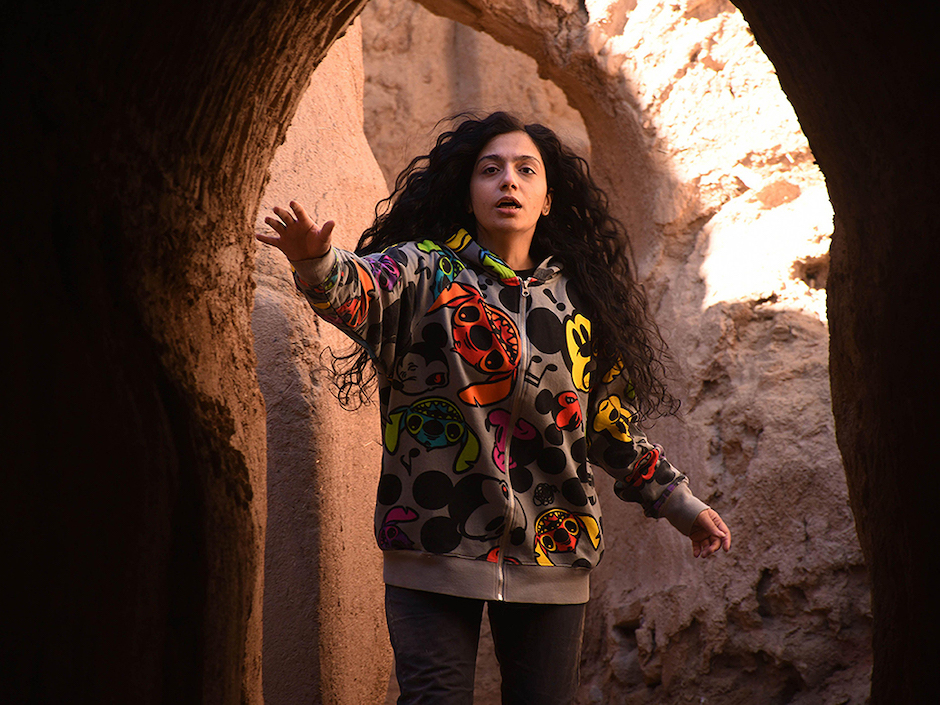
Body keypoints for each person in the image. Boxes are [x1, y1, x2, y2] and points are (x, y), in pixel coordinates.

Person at [256, 112, 730, 704]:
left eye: (525, 170)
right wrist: (315, 265)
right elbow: (359, 292)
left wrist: (679, 503)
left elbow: (609, 431)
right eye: (490, 170)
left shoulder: (583, 302)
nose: (508, 181)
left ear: (548, 199)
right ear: (468, 190)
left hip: (553, 555)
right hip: (431, 541)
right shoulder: (424, 270)